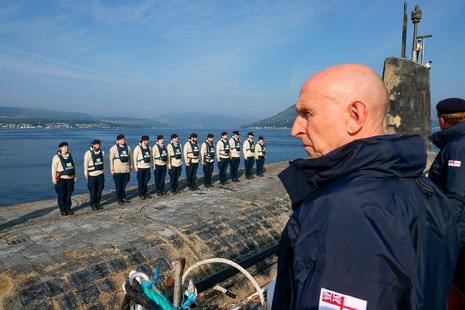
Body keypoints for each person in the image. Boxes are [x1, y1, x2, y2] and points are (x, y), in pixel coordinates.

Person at [272, 64, 458, 309]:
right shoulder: (429, 192)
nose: (296, 130)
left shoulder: (343, 211)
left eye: (307, 113)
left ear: (355, 116)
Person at [428, 97, 465, 296]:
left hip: (457, 229)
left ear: (442, 120)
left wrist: (445, 232)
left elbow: (456, 194)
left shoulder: (458, 145)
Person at [51, 142, 77, 216]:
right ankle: (63, 210)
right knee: (61, 195)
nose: (66, 148)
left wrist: (75, 176)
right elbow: (53, 169)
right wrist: (54, 179)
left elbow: (74, 167)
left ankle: (68, 209)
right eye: (65, 147)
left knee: (69, 195)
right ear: (60, 148)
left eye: (67, 147)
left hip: (70, 178)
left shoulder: (71, 156)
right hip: (61, 179)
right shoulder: (56, 157)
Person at [109, 134, 132, 205]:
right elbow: (111, 159)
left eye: (124, 139)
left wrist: (130, 166)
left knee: (124, 184)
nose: (123, 140)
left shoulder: (128, 148)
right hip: (117, 170)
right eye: (122, 139)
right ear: (118, 140)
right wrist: (112, 169)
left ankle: (123, 197)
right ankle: (119, 198)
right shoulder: (113, 148)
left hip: (126, 170)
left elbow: (130, 158)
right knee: (118, 185)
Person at [83, 139, 105, 210]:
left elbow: (103, 162)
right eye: (96, 144)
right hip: (92, 175)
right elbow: (85, 164)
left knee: (100, 189)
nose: (98, 145)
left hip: (100, 174)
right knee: (93, 190)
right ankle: (93, 203)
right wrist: (86, 173)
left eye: (99, 144)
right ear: (93, 145)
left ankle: (97, 202)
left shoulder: (102, 152)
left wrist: (103, 171)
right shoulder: (88, 153)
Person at [134, 135, 152, 200]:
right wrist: (135, 167)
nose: (148, 141)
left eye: (148, 140)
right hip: (140, 167)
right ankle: (141, 194)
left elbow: (150, 157)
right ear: (143, 141)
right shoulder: (137, 148)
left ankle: (145, 192)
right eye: (146, 140)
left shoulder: (149, 148)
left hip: (147, 167)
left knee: (146, 180)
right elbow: (135, 158)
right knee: (140, 181)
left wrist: (152, 165)